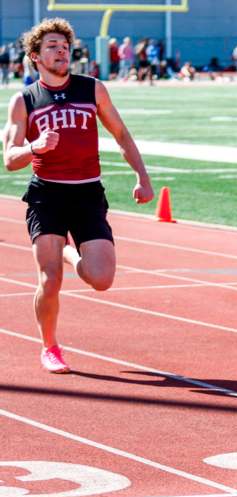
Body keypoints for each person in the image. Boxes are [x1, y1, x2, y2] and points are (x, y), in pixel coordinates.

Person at [2, 18, 154, 373]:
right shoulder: (24, 100)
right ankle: (50, 347)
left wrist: (142, 177)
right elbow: (10, 159)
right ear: (35, 56)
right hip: (47, 195)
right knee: (49, 278)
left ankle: (69, 252)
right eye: (52, 46)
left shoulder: (93, 89)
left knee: (101, 280)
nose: (61, 52)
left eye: (65, 47)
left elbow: (121, 134)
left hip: (87, 193)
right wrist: (34, 146)